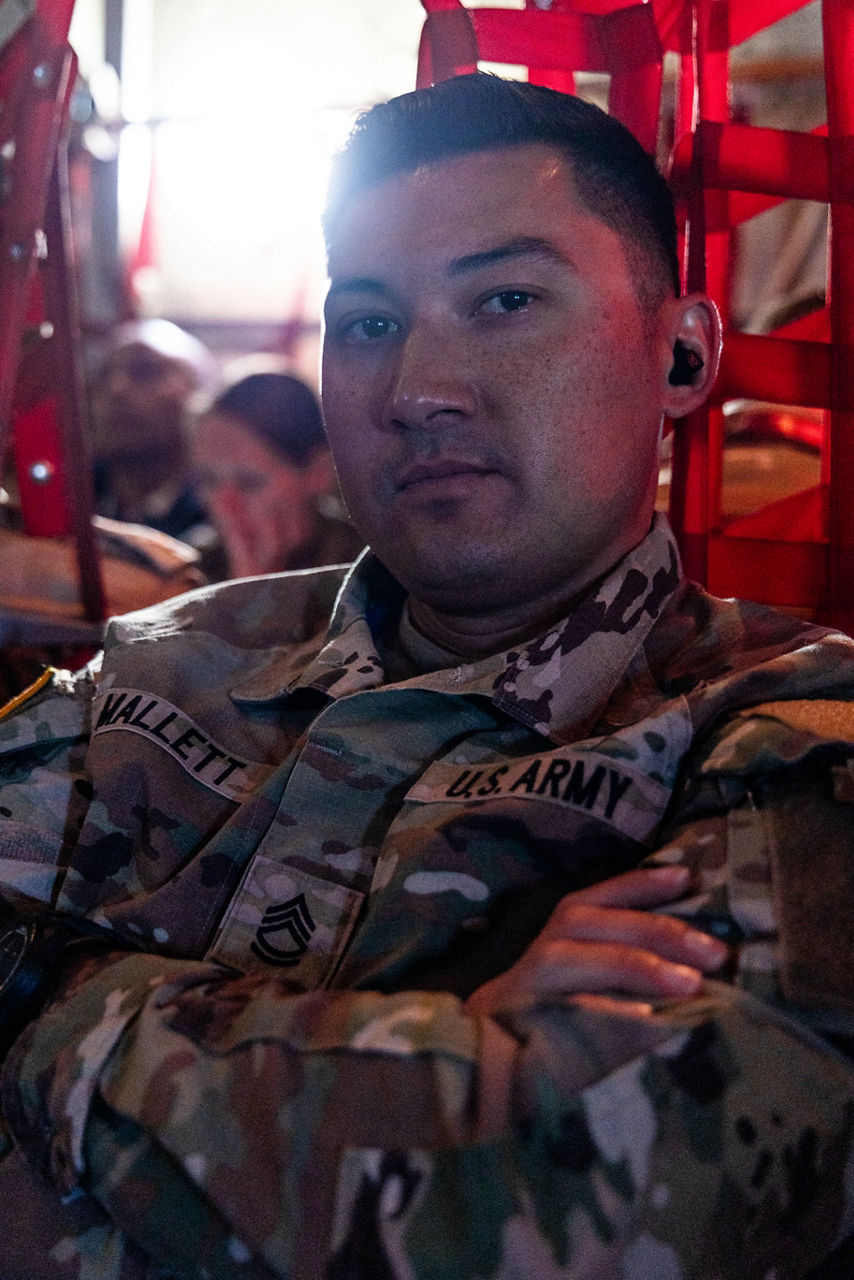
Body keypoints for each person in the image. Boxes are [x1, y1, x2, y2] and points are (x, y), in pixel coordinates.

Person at [0, 73, 851, 1280]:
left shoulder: (778, 737)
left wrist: (55, 1005)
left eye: (504, 299)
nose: (415, 392)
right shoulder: (168, 665)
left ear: (678, 352)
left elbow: (605, 1208)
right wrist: (440, 1045)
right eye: (368, 321)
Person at [189, 372, 364, 580]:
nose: (225, 505)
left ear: (318, 473)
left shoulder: (368, 568)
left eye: (249, 483)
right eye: (210, 481)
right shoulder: (189, 568)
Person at [89, 317, 219, 541]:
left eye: (144, 369)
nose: (116, 389)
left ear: (199, 396)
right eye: (104, 374)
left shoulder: (224, 512)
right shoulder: (65, 498)